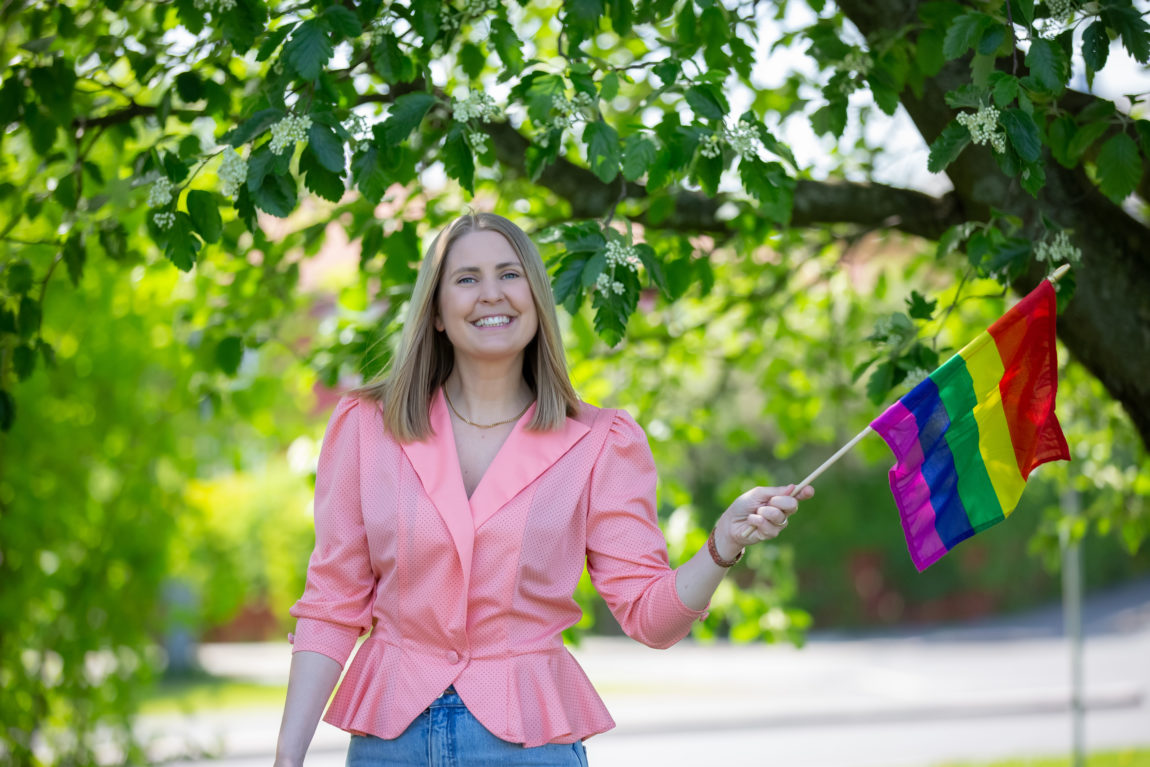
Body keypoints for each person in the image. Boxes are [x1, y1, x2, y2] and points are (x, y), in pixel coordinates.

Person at [273, 212, 814, 767]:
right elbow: (332, 604)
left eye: (510, 274)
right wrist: (288, 757)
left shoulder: (602, 443)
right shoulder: (366, 427)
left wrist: (721, 545)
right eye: (466, 279)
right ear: (434, 312)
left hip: (526, 748)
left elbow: (652, 619)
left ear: (536, 296)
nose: (491, 294)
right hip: (390, 746)